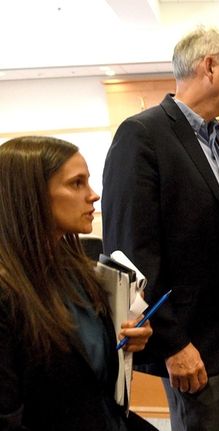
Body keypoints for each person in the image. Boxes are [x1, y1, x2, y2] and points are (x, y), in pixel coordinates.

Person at [101, 26, 219, 430]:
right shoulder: (142, 135)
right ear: (209, 66)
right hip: (196, 346)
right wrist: (173, 343)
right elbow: (130, 253)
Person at [0, 136, 155, 431]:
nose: (93, 195)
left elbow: (92, 371)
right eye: (76, 184)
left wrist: (130, 340)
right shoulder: (8, 294)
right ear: (32, 194)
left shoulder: (79, 270)